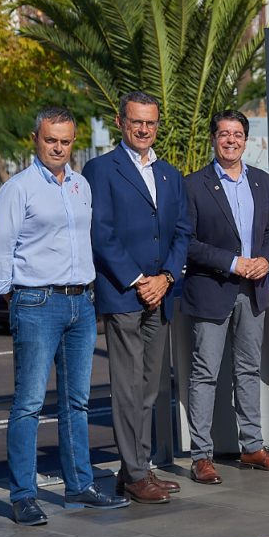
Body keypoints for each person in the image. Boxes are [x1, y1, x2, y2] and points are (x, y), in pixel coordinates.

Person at [0, 107, 129, 526]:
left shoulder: (81, 186)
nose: (58, 148)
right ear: (36, 138)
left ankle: (79, 486)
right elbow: (0, 247)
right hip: (37, 302)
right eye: (51, 140)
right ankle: (23, 496)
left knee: (76, 402)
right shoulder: (19, 188)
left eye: (65, 141)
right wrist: (11, 296)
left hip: (81, 303)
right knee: (29, 404)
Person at [82, 91, 191, 504]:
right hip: (124, 294)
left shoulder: (169, 174)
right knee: (127, 388)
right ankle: (134, 474)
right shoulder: (101, 169)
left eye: (150, 122)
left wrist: (166, 277)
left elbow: (182, 231)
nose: (144, 129)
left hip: (160, 294)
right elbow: (101, 233)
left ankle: (137, 468)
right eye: (136, 121)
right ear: (120, 122)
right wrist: (139, 279)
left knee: (148, 389)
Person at [182, 110, 269, 485]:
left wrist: (265, 260)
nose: (231, 140)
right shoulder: (193, 185)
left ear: (246, 140)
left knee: (248, 370)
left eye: (238, 134)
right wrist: (232, 262)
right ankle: (201, 456)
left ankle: (253, 447)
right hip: (212, 290)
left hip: (253, 291)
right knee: (205, 373)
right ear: (213, 138)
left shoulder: (259, 181)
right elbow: (187, 242)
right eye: (224, 133)